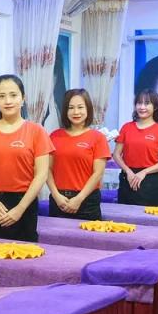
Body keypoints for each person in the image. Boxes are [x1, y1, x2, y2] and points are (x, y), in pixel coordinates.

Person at [0, 74, 52, 241]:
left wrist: (20, 208)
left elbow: (42, 174)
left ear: (23, 98)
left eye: (13, 95)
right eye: (2, 96)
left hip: (23, 204)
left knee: (23, 254)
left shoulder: (36, 131)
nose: (8, 101)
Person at [47, 88, 111, 221]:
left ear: (88, 109)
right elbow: (47, 169)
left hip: (87, 201)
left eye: (80, 107)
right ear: (66, 111)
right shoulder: (54, 136)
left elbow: (98, 174)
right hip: (59, 200)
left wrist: (79, 199)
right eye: (71, 108)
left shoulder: (98, 138)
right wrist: (56, 195)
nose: (76, 112)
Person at [113, 90, 158, 206]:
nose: (142, 107)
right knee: (124, 214)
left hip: (150, 180)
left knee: (149, 215)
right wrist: (128, 171)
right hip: (128, 178)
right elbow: (116, 154)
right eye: (139, 103)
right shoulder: (126, 127)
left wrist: (144, 172)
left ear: (155, 107)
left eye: (147, 103)